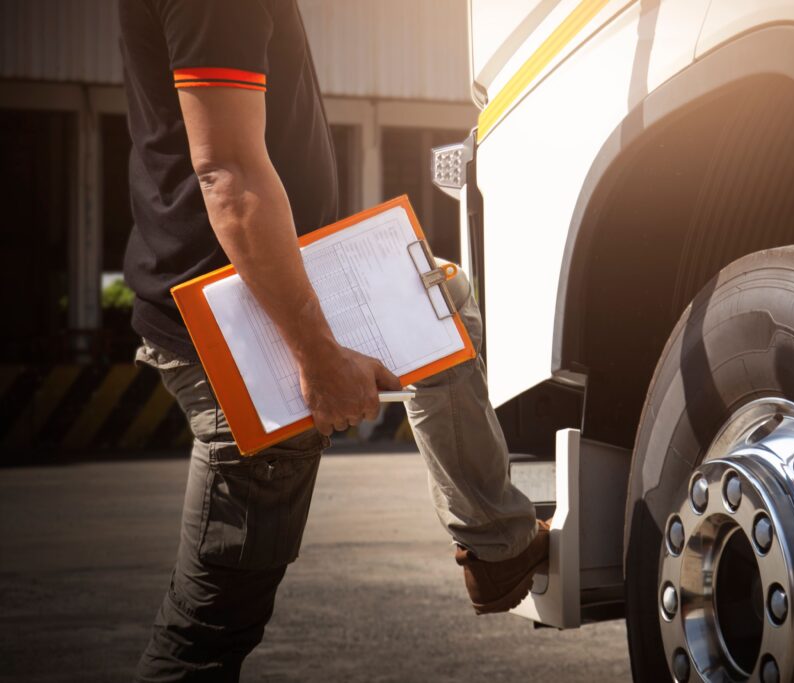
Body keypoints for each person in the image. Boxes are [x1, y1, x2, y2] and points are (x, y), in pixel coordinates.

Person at [119, 1, 547, 680]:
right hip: (245, 318)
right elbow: (227, 174)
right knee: (205, 637)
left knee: (442, 303)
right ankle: (495, 545)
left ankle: (495, 544)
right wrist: (315, 354)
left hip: (287, 273)